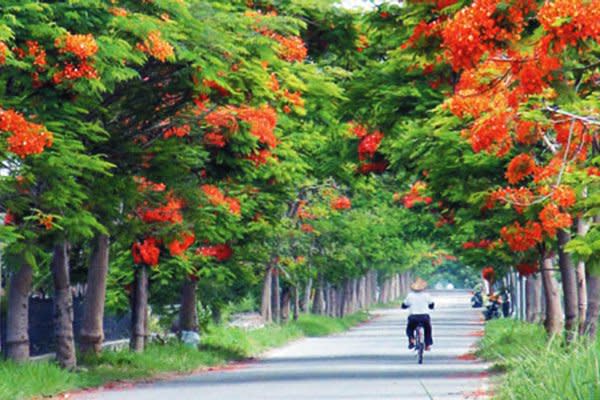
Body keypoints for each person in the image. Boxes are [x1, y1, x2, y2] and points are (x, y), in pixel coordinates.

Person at [402, 277, 434, 351]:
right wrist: (430, 306)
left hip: (413, 317)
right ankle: (427, 344)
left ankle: (412, 339)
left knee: (409, 329)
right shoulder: (426, 295)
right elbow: (431, 305)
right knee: (428, 329)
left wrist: (405, 306)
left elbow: (404, 305)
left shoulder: (410, 296)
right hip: (424, 317)